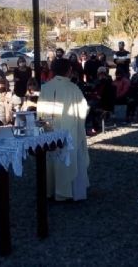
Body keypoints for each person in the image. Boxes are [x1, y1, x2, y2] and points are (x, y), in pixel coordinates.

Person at [38, 58, 90, 201]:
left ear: (52, 71)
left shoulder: (45, 87)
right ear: (69, 71)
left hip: (49, 131)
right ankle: (68, 192)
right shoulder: (73, 88)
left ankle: (51, 190)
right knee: (69, 157)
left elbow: (40, 112)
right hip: (69, 131)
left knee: (51, 159)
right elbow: (82, 110)